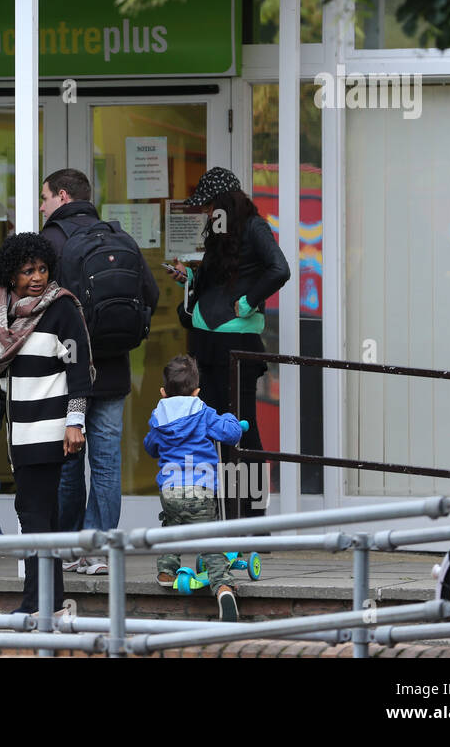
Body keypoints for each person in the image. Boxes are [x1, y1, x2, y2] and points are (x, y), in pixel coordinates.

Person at [40, 168, 159, 575]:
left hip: (66, 371)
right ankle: (100, 547)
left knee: (68, 459)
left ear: (61, 196)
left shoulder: (52, 241)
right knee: (106, 461)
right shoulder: (118, 237)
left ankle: (71, 547)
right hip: (114, 368)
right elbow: (151, 293)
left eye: (44, 198)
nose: (40, 206)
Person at [0, 232, 92, 614]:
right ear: (12, 275)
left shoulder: (61, 309)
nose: (37, 277)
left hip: (50, 429)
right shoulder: (1, 313)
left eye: (43, 269)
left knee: (33, 516)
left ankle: (35, 605)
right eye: (28, 271)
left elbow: (79, 370)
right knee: (43, 517)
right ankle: (53, 604)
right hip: (20, 432)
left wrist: (75, 422)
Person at [168, 167, 290, 519]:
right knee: (215, 432)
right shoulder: (223, 233)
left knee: (241, 430)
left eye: (209, 206)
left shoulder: (253, 227)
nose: (206, 213)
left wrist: (250, 300)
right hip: (208, 343)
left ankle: (251, 520)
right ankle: (226, 517)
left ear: (224, 203)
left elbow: (279, 269)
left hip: (237, 345)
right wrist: (188, 277)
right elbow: (218, 283)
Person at [142, 354, 245, 621]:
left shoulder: (158, 418)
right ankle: (222, 586)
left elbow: (150, 447)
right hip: (200, 489)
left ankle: (166, 571)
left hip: (171, 491)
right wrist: (232, 419)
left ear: (163, 392)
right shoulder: (203, 412)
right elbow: (230, 433)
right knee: (209, 540)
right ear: (197, 391)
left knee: (171, 526)